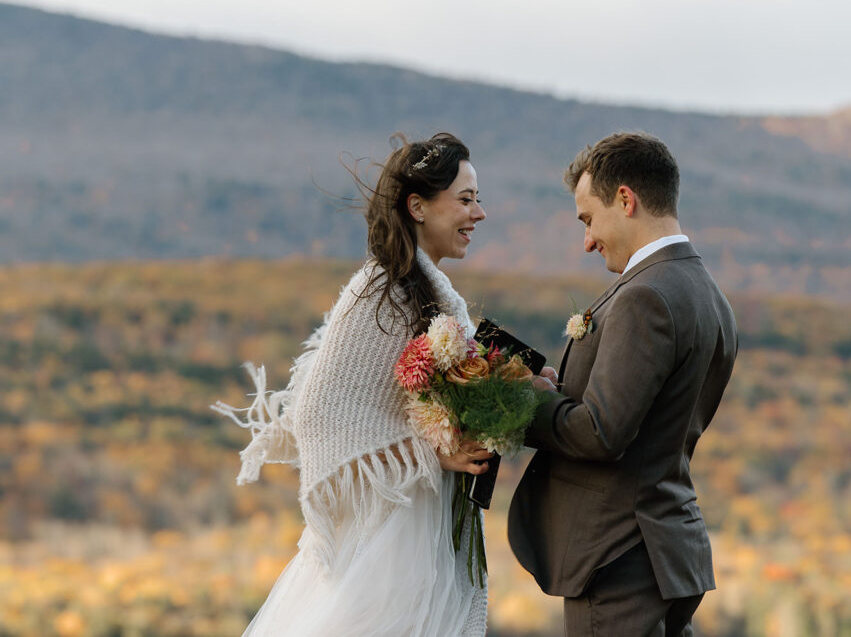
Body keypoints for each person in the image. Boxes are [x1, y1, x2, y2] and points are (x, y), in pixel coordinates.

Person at [213, 133, 491, 636]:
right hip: (393, 530)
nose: (480, 214)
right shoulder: (380, 289)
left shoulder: (429, 290)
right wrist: (432, 452)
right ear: (418, 206)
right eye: (466, 199)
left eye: (478, 200)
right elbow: (322, 411)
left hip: (426, 520)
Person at [508, 132, 738, 636]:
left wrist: (525, 400)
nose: (587, 240)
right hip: (665, 551)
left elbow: (601, 432)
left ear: (626, 200)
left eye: (588, 220)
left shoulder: (645, 296)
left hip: (618, 554)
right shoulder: (710, 296)